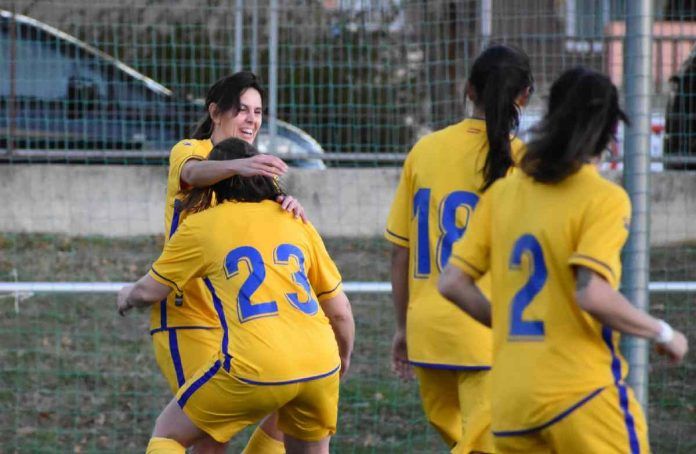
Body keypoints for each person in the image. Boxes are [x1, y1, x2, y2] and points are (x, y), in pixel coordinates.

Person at [439, 67, 688, 453]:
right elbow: (591, 293)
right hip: (583, 396)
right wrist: (664, 333)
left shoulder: (503, 193)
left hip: (512, 405)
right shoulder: (603, 198)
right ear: (610, 131)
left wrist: (504, 321)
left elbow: (452, 282)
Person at [118, 137, 355, 454]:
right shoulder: (296, 220)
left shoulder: (203, 225)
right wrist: (343, 357)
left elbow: (150, 290)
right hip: (321, 362)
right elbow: (339, 310)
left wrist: (127, 295)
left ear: (215, 184)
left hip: (255, 363)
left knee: (169, 434)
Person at [384, 45, 533, 453]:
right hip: (492, 329)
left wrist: (402, 328)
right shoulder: (527, 163)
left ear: (468, 90)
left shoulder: (425, 151)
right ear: (525, 96)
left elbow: (400, 252)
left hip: (429, 328)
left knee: (464, 440)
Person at [153, 71, 304, 453]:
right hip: (190, 318)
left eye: (258, 111)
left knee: (290, 408)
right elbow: (193, 173)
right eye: (242, 110)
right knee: (207, 439)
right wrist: (240, 167)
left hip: (239, 320)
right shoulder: (192, 151)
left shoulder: (254, 169)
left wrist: (290, 207)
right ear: (215, 112)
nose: (252, 119)